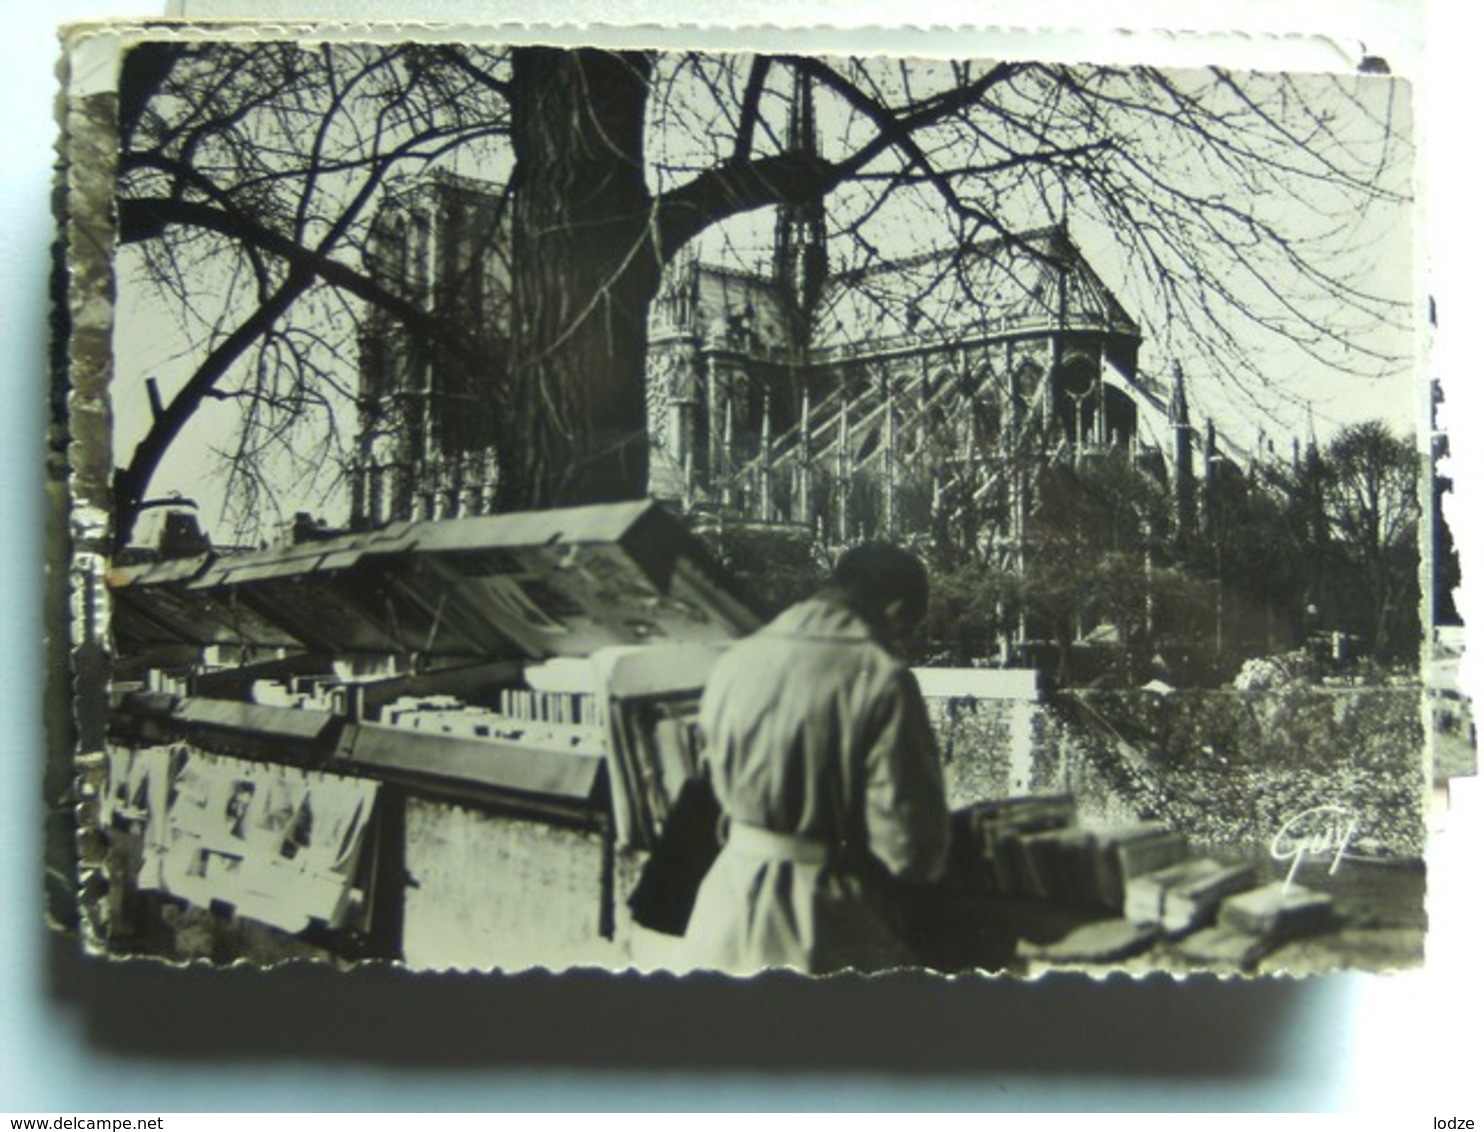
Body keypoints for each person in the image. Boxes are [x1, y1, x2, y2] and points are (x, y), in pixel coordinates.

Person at [682, 543, 951, 975]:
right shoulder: (881, 677)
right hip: (817, 921)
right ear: (896, 612)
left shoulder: (737, 657)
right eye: (904, 632)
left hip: (722, 906)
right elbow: (908, 849)